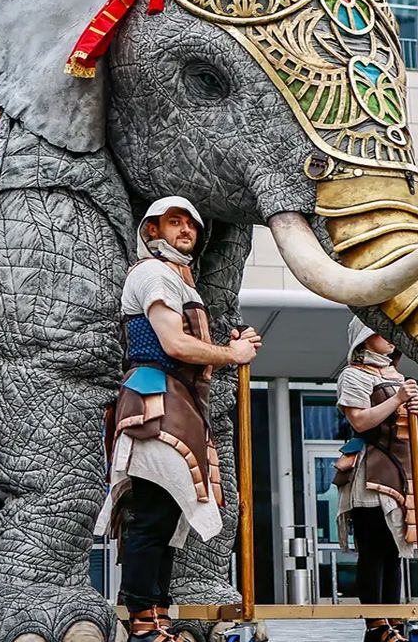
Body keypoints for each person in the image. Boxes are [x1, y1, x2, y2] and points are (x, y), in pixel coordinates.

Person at [96, 197, 262, 642]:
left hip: (179, 401)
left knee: (168, 518)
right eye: (174, 222)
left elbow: (189, 344)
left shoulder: (178, 280)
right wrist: (233, 354)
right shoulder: (153, 273)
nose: (185, 229)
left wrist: (229, 344)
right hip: (156, 399)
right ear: (152, 231)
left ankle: (157, 615)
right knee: (153, 514)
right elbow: (174, 344)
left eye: (190, 223)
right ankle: (143, 621)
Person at [332, 318, 418, 642]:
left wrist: (414, 408)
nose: (388, 338)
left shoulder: (398, 376)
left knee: (394, 550)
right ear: (363, 337)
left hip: (402, 471)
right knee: (374, 548)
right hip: (369, 470)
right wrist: (397, 399)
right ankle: (376, 625)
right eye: (379, 331)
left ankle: (394, 624)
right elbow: (359, 421)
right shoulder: (353, 375)